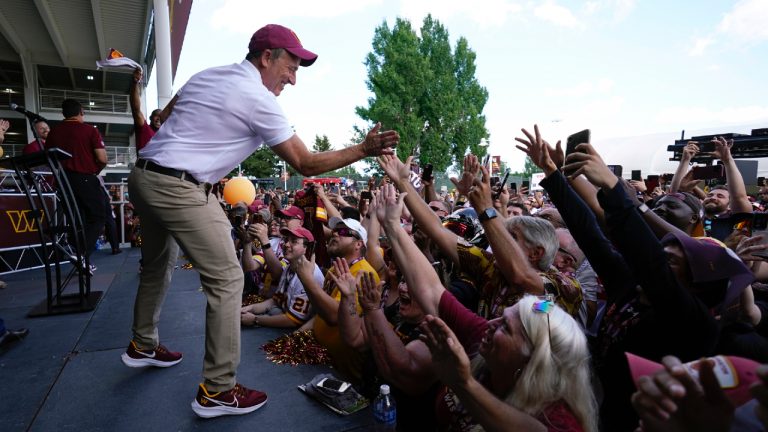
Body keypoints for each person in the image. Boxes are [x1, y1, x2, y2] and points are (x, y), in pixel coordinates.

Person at [122, 23, 398, 418]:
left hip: (144, 177)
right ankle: (218, 390)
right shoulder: (257, 97)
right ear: (267, 57)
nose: (293, 79)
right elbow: (305, 163)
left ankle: (142, 344)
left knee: (156, 265)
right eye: (292, 66)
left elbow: (172, 106)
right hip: (178, 186)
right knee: (228, 279)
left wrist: (166, 117)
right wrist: (364, 148)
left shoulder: (211, 75)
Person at [377, 183, 598, 431]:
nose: (490, 324)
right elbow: (433, 278)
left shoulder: (562, 286)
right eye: (499, 317)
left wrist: (486, 209)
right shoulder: (491, 306)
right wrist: (395, 221)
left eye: (509, 237)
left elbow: (522, 277)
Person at [44, 99, 107, 264]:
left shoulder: (54, 133)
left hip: (63, 180)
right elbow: (102, 158)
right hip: (85, 178)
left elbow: (49, 159)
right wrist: (96, 171)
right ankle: (79, 252)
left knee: (76, 220)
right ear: (81, 112)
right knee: (98, 217)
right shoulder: (89, 130)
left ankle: (80, 256)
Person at [240, 226, 322, 328]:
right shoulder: (289, 267)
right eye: (286, 240)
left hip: (297, 331)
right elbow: (275, 301)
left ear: (307, 248)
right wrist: (249, 308)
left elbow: (293, 321)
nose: (287, 244)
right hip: (280, 315)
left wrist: (255, 320)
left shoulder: (310, 274)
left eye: (294, 241)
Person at [129, 67, 164, 156]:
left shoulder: (165, 136)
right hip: (144, 168)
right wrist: (135, 82)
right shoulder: (143, 127)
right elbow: (136, 110)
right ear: (151, 118)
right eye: (156, 116)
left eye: (161, 117)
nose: (158, 119)